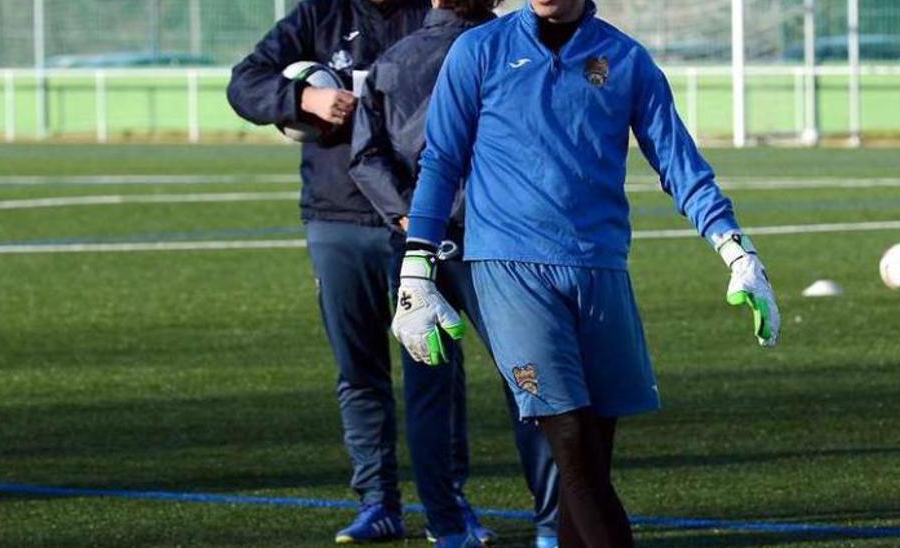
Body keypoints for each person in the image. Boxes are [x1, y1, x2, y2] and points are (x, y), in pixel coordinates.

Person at [389, 0, 782, 546]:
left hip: (600, 270)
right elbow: (441, 162)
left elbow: (678, 160)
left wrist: (736, 250)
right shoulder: (478, 51)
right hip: (510, 269)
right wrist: (416, 270)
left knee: (593, 454)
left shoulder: (625, 58)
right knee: (571, 442)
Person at [225, 0, 482, 543]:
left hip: (420, 220)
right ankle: (378, 502)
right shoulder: (320, 15)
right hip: (337, 217)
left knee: (434, 368)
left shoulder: (435, 16)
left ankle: (449, 504)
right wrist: (303, 97)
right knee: (359, 369)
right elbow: (244, 83)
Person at [348, 0, 560, 546]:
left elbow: (365, 155)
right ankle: (552, 526)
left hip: (418, 245)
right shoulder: (520, 51)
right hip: (500, 243)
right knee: (530, 382)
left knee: (428, 389)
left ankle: (446, 526)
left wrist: (408, 216)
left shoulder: (394, 59)